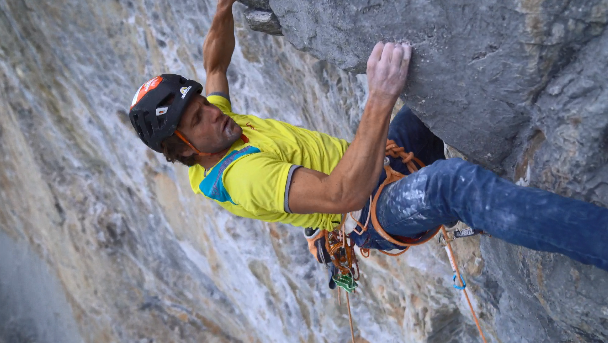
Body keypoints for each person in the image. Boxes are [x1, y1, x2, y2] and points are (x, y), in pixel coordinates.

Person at [128, 0, 608, 272]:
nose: (212, 113)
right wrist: (378, 99)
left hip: (381, 165)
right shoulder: (242, 176)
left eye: (202, 104)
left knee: (435, 98)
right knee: (450, 186)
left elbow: (214, 63)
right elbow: (343, 193)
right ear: (184, 151)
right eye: (196, 121)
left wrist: (223, 7)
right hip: (371, 209)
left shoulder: (216, 128)